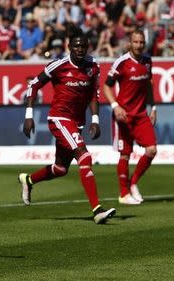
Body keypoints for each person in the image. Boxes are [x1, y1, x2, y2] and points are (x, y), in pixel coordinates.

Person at [19, 33, 116, 224]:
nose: (79, 49)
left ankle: (28, 180)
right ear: (69, 47)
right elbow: (33, 85)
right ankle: (97, 210)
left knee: (60, 168)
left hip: (76, 122)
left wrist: (95, 120)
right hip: (59, 118)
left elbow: (94, 95)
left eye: (83, 46)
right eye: (76, 46)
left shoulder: (93, 66)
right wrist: (28, 116)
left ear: (88, 47)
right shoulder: (59, 65)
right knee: (84, 156)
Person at [103, 30, 157, 205]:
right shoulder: (121, 63)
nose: (139, 45)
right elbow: (106, 86)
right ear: (130, 43)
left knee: (151, 150)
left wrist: (153, 107)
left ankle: (133, 183)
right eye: (136, 42)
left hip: (141, 114)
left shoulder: (147, 61)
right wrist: (115, 106)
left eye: (142, 42)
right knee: (125, 154)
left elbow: (148, 86)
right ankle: (124, 194)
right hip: (123, 115)